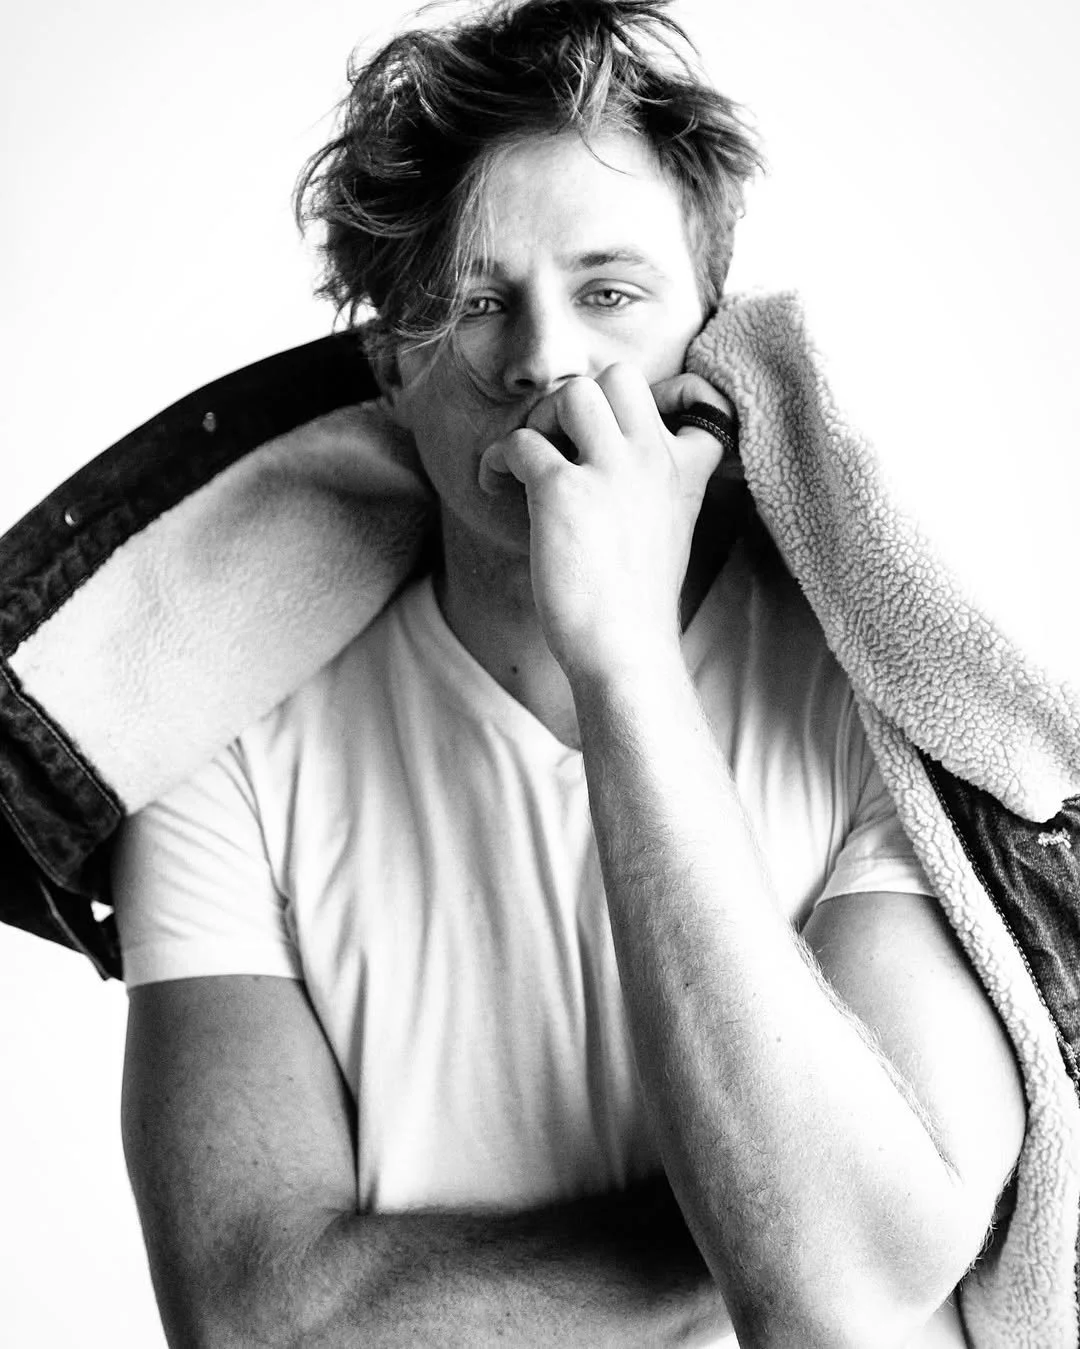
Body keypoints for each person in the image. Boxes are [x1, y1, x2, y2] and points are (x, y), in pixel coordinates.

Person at [111, 2, 1026, 1345]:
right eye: (475, 303)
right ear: (390, 367)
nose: (545, 357)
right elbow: (260, 1326)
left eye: (610, 292)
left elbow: (836, 1301)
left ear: (706, 338)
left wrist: (624, 664)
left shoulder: (878, 694)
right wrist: (779, 1197)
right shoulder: (220, 737)